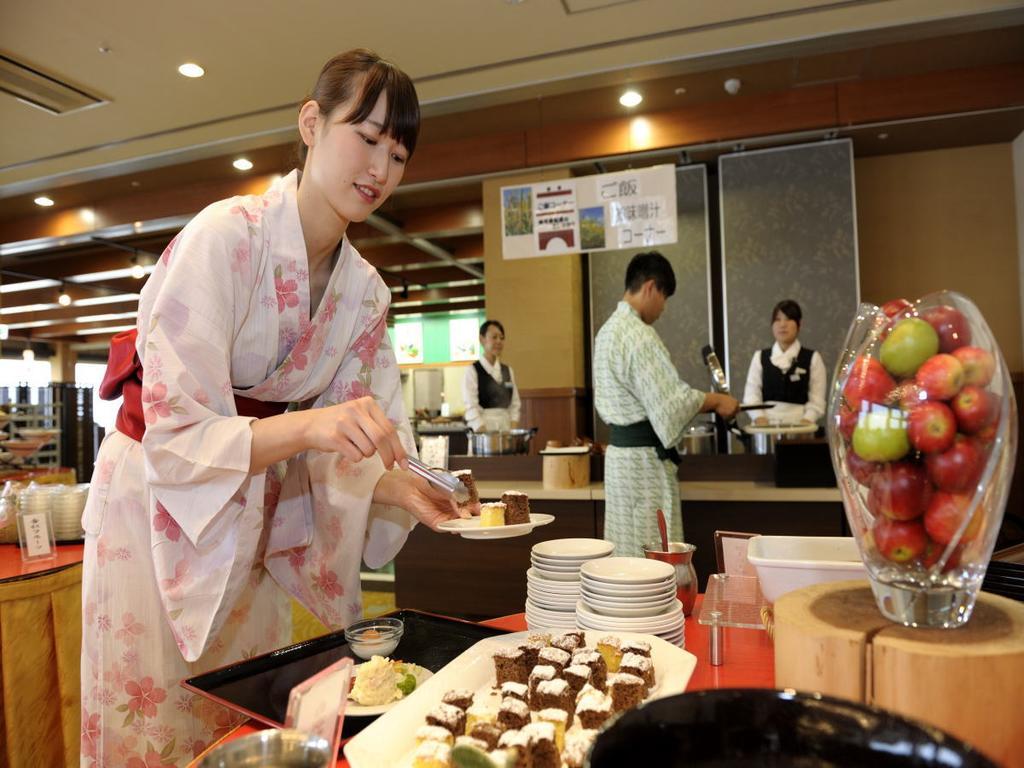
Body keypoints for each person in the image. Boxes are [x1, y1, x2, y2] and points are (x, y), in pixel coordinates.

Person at [80, 50, 472, 766]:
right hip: (158, 500)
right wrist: (311, 425)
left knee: (245, 706)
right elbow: (177, 431)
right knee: (151, 713)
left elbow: (353, 436)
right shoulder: (226, 238)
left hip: (251, 504)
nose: (381, 167)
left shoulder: (366, 293)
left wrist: (399, 488)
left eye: (400, 152)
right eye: (368, 136)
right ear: (312, 123)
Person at [593, 252, 739, 558]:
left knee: (624, 553)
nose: (664, 307)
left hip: (620, 461)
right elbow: (672, 403)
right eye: (664, 296)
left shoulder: (606, 332)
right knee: (652, 553)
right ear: (650, 288)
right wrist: (716, 401)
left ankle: (625, 606)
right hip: (643, 464)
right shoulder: (639, 336)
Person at [742, 299, 827, 425]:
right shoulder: (760, 357)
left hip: (801, 427)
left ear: (799, 324)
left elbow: (817, 400)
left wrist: (805, 422)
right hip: (765, 425)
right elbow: (751, 396)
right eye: (777, 319)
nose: (782, 324)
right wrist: (761, 421)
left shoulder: (813, 358)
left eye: (788, 319)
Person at [462, 319, 521, 432]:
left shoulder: (507, 370)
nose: (499, 341)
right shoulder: (472, 371)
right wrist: (485, 437)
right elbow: (471, 406)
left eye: (502, 338)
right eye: (494, 337)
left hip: (505, 429)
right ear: (482, 339)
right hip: (482, 430)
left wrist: (512, 432)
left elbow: (515, 404)